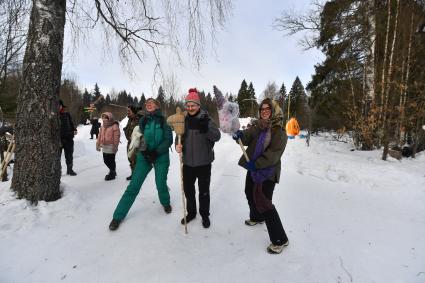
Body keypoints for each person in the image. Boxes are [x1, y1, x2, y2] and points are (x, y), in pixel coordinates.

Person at [232, 98, 289, 254]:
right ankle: (257, 217)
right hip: (254, 168)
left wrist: (255, 164)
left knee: (264, 202)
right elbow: (247, 135)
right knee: (249, 193)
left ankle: (280, 239)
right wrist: (239, 135)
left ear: (274, 111)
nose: (264, 111)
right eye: (262, 109)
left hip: (267, 171)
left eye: (267, 109)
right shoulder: (258, 126)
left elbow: (273, 156)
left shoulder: (279, 131)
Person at [109, 98, 173, 231]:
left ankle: (165, 202)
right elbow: (139, 137)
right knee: (133, 186)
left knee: (160, 183)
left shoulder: (163, 120)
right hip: (144, 156)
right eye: (146, 103)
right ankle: (117, 216)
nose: (148, 104)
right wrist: (143, 151)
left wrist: (156, 152)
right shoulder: (143, 120)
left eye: (151, 103)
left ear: (157, 105)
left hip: (160, 156)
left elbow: (168, 139)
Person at [175, 88, 221, 229]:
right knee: (188, 190)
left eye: (193, 105)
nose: (190, 108)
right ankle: (192, 213)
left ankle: (205, 215)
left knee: (203, 191)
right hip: (188, 163)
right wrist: (177, 145)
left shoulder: (206, 119)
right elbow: (178, 137)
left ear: (198, 105)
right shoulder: (183, 120)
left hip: (204, 163)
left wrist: (206, 128)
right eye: (188, 105)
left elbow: (217, 136)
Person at [96, 112, 120, 181]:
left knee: (111, 160)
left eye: (105, 117)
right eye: (103, 117)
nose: (104, 119)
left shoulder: (114, 126)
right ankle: (113, 170)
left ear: (110, 118)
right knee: (105, 160)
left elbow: (116, 137)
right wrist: (97, 144)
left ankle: (112, 173)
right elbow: (99, 136)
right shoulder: (102, 126)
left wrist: (115, 146)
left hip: (111, 146)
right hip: (104, 145)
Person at [59, 99, 77, 176]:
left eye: (59, 105)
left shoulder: (66, 114)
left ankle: (70, 169)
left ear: (61, 106)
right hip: (58, 140)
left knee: (69, 155)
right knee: (57, 157)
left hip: (69, 138)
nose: (57, 107)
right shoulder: (53, 115)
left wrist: (74, 129)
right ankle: (57, 171)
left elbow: (71, 123)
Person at [123, 105, 140, 180]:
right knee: (130, 158)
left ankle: (136, 175)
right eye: (127, 111)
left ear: (133, 111)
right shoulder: (130, 119)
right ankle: (133, 173)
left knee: (135, 158)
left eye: (129, 111)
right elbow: (128, 129)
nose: (128, 112)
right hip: (130, 142)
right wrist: (125, 130)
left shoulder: (139, 119)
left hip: (137, 142)